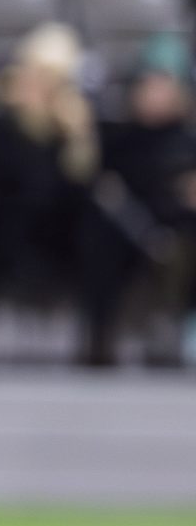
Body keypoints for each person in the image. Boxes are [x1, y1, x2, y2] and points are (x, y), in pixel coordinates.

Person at [0, 23, 98, 363]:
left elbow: (80, 180)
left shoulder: (67, 125)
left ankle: (91, 337)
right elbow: (0, 176)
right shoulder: (1, 124)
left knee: (94, 234)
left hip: (59, 222)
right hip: (8, 217)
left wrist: (77, 136)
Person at [86, 36, 196, 365]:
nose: (154, 93)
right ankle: (103, 331)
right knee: (96, 233)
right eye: (148, 84)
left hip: (180, 227)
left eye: (163, 85)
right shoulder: (122, 140)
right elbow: (107, 185)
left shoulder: (187, 139)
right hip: (131, 228)